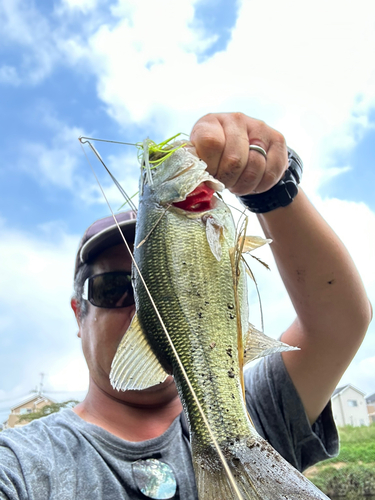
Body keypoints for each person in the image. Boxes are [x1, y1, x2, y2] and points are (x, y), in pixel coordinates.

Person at [0, 113, 372, 500]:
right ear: (79, 313)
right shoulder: (22, 464)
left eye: (158, 278)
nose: (143, 303)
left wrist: (271, 189)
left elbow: (339, 323)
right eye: (113, 288)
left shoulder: (257, 408)